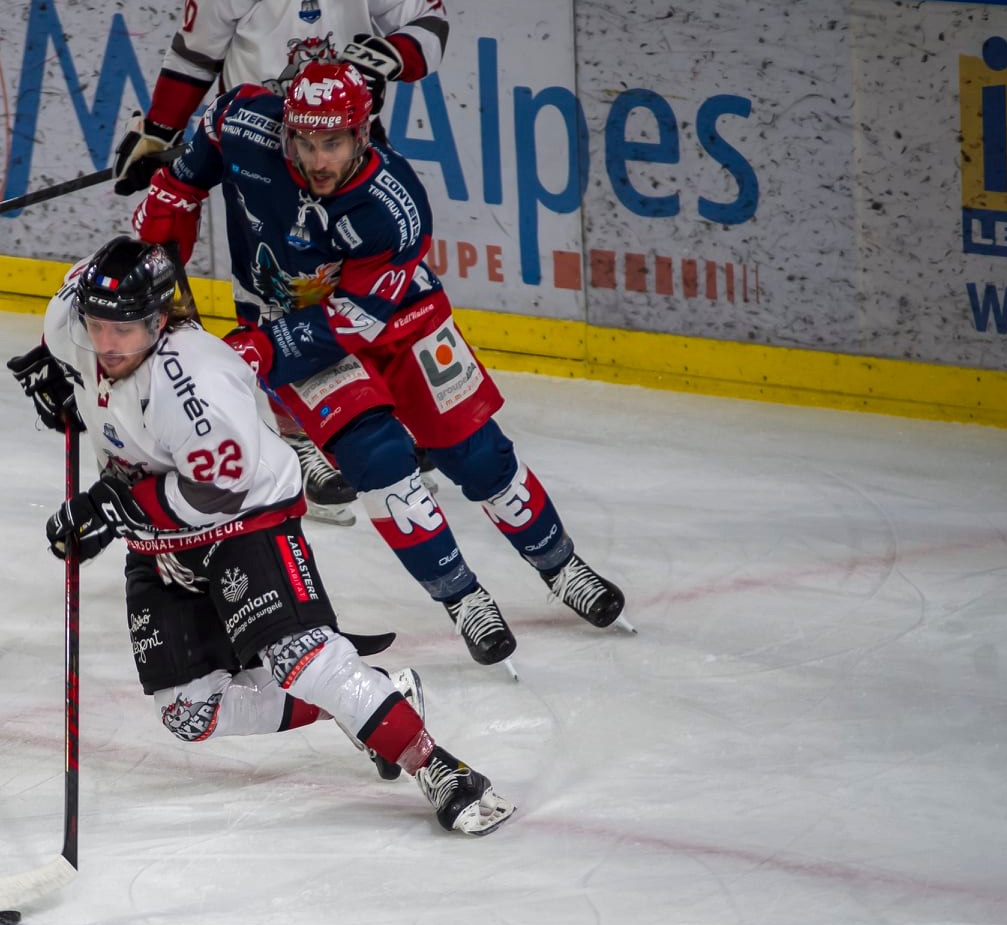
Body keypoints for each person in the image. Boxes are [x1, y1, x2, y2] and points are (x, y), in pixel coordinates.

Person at [128, 61, 632, 670]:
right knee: (379, 460)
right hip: (288, 324)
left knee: (476, 453)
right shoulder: (243, 122)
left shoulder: (392, 205)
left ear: (362, 133)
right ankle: (463, 597)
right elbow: (184, 178)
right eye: (305, 142)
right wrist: (161, 248)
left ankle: (560, 564)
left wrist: (261, 349)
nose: (317, 159)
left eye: (333, 143)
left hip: (395, 322)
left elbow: (350, 322)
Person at [7, 235, 514, 836]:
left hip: (244, 518)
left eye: (123, 329)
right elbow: (78, 310)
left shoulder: (196, 385)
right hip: (158, 537)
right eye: (95, 325)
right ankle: (378, 696)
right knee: (188, 712)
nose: (105, 343)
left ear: (160, 318)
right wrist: (56, 368)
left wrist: (115, 508)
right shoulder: (72, 319)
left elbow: (214, 492)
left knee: (301, 659)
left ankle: (437, 766)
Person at [113, 0, 452, 526]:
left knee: (366, 290)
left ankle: (372, 412)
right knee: (274, 288)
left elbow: (429, 21)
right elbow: (195, 56)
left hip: (344, 145)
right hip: (265, 150)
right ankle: (296, 436)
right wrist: (159, 133)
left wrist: (399, 53)